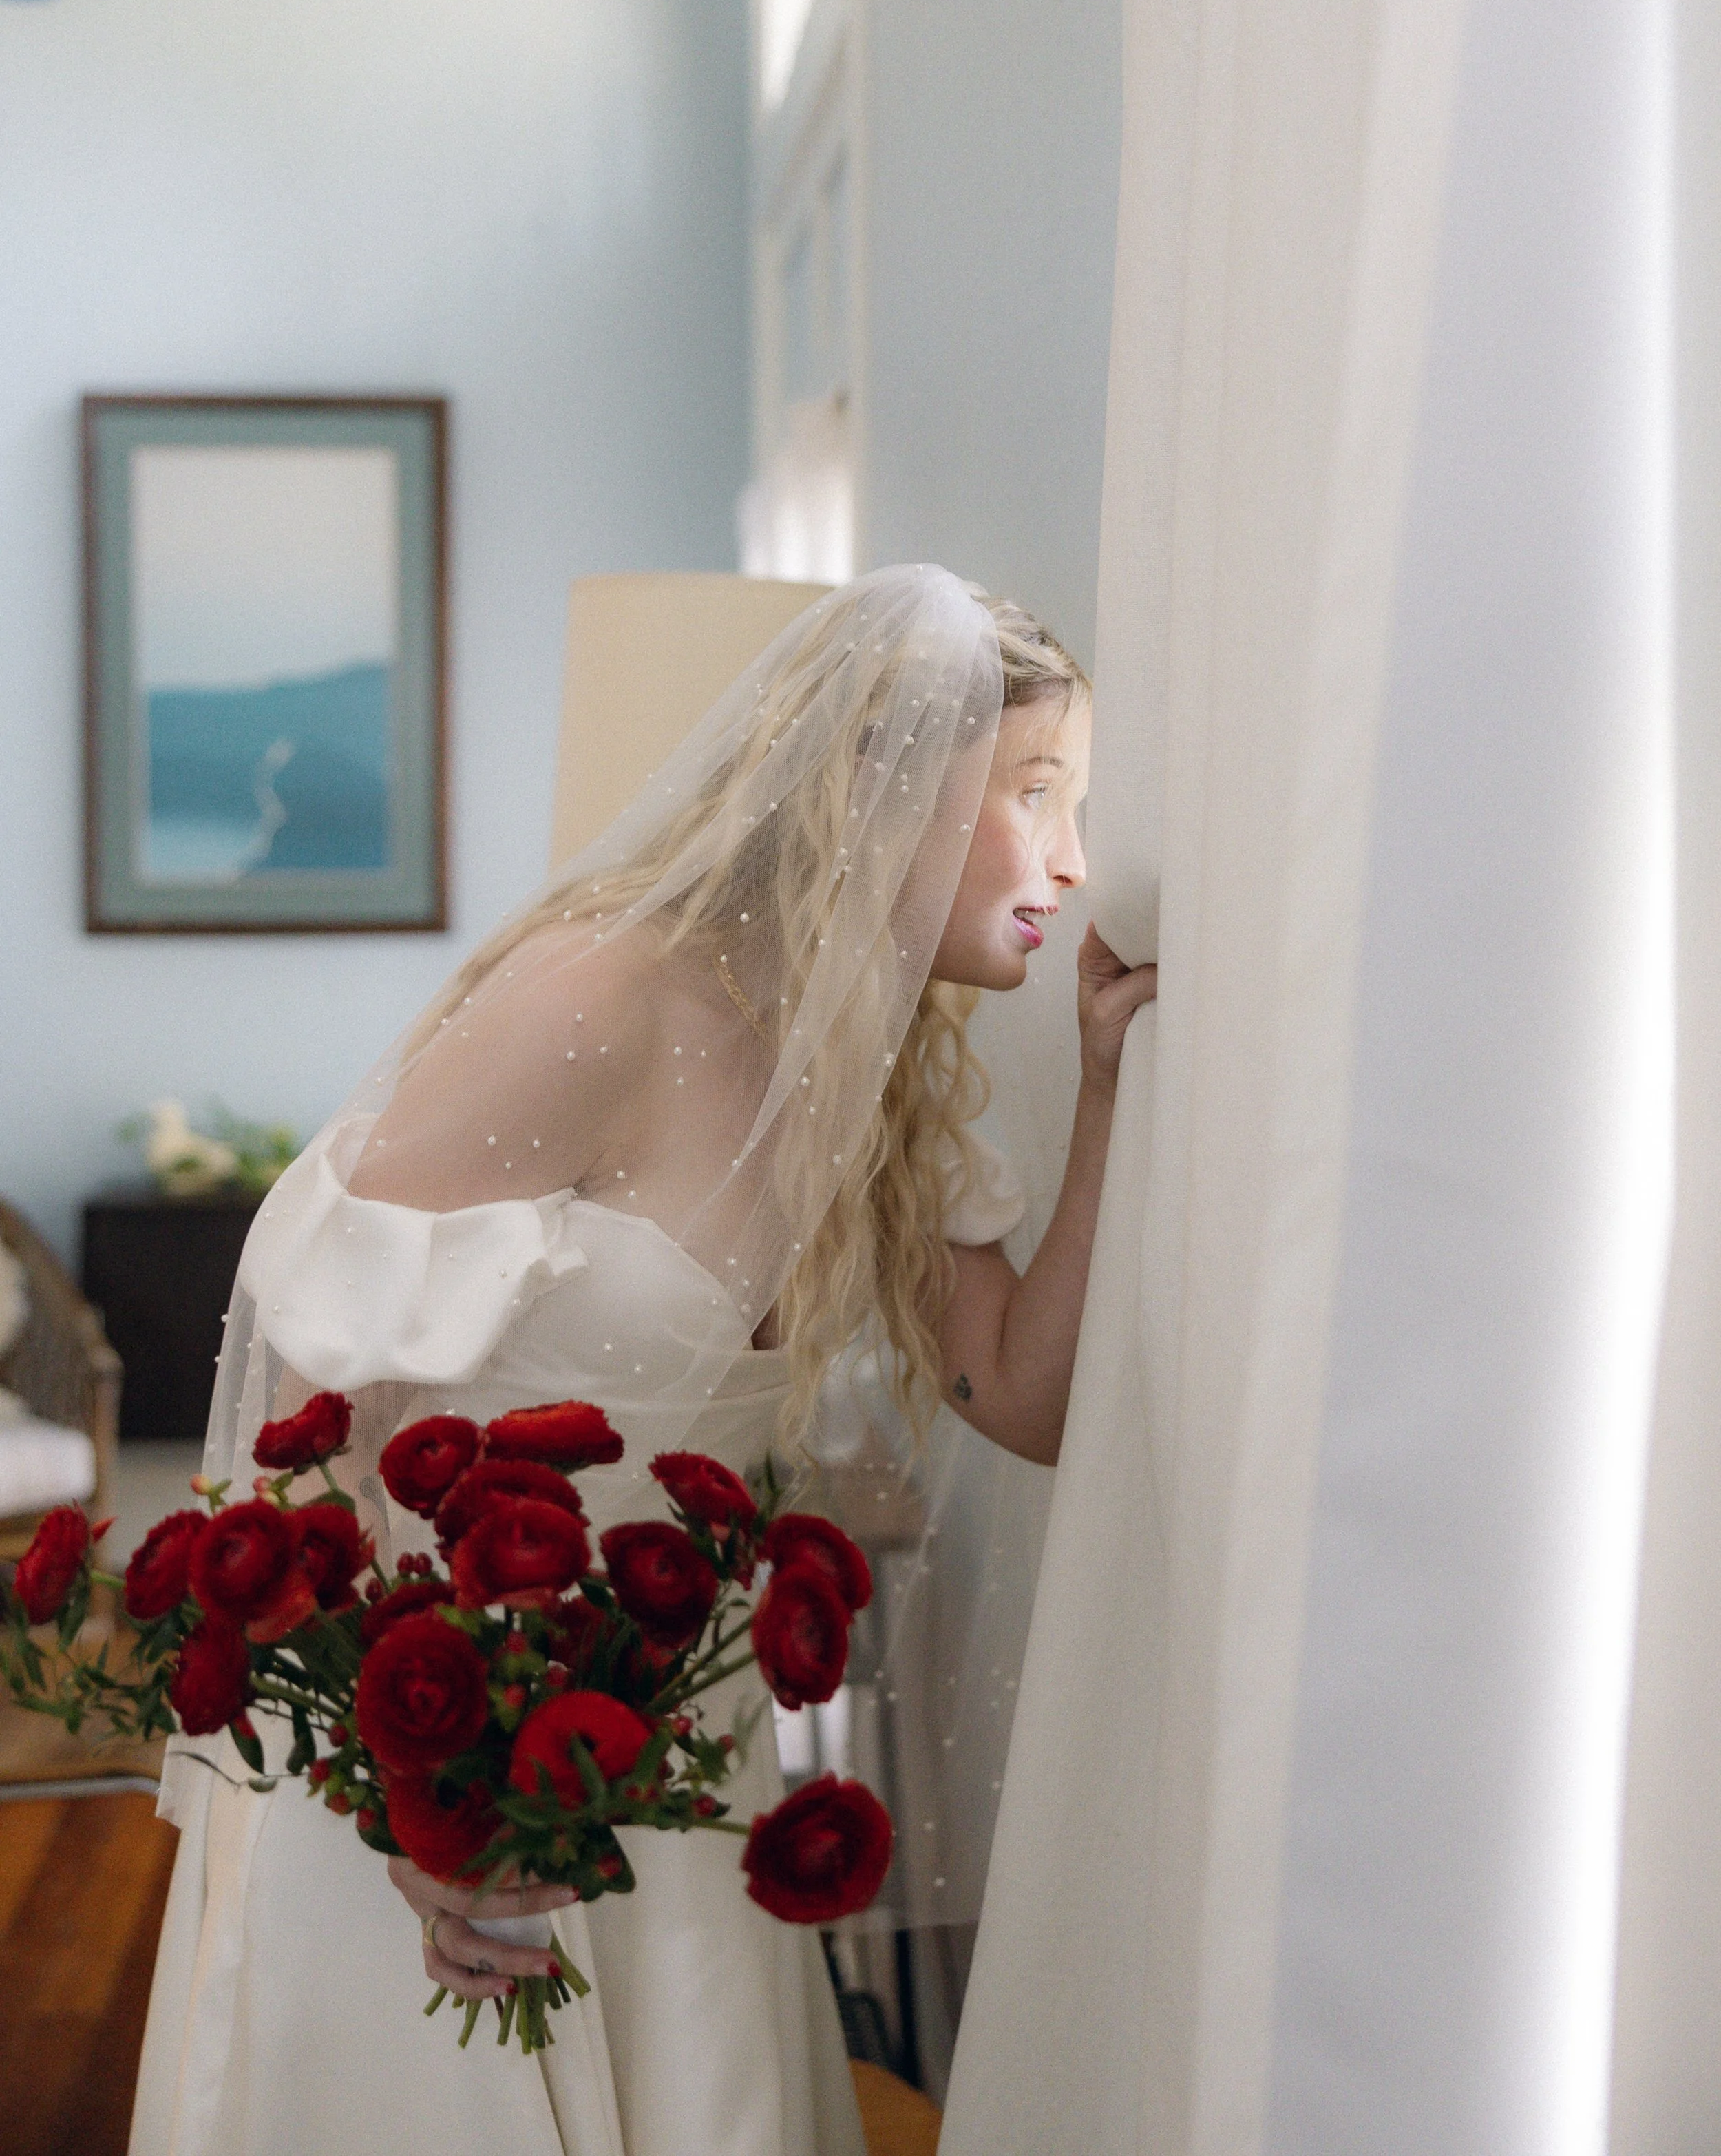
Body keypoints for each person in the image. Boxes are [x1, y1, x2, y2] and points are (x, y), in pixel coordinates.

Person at [129, 566, 1155, 2156]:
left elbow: (1020, 1394)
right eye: (1036, 794)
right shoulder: (605, 993)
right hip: (422, 1756)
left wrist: (1106, 1091)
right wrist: (416, 1807)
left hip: (669, 1774)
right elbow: (303, 1393)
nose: (1073, 862)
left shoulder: (885, 1077)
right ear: (885, 782)